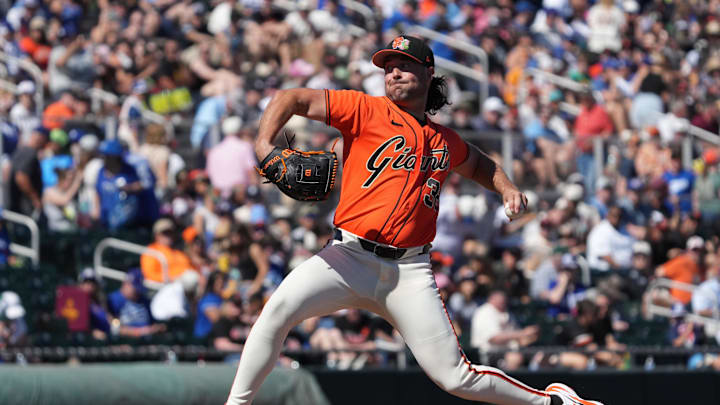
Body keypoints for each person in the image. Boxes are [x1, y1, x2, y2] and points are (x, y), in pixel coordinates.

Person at [225, 35, 602, 405]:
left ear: (428, 72)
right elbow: (289, 97)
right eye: (389, 67)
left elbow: (479, 164)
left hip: (409, 272)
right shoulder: (363, 109)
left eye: (404, 65)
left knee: (455, 376)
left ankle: (552, 402)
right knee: (274, 315)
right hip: (347, 258)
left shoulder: (443, 139)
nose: (394, 73)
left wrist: (505, 188)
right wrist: (263, 145)